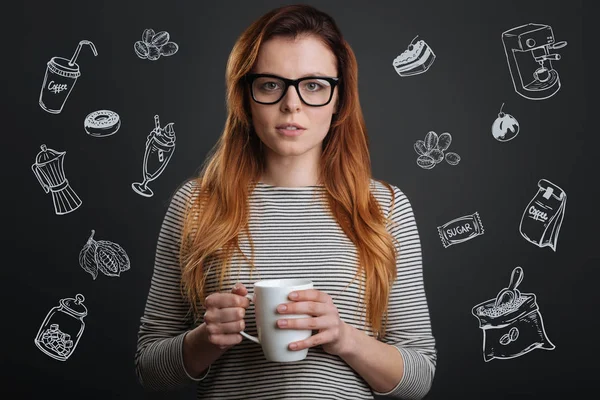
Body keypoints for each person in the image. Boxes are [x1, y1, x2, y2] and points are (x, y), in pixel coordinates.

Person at [134, 4, 437, 399]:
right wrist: (205, 340)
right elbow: (150, 370)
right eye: (271, 84)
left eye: (313, 85)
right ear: (246, 96)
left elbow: (419, 377)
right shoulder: (195, 204)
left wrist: (344, 338)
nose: (291, 104)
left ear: (338, 99)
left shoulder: (384, 207)